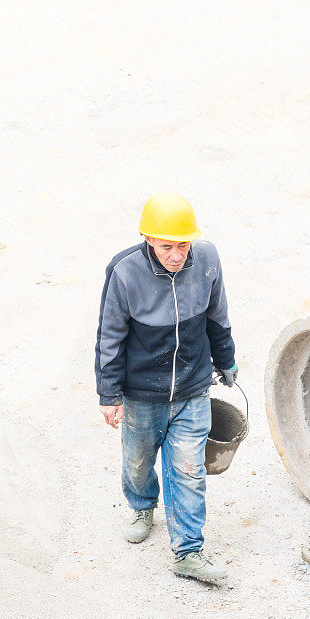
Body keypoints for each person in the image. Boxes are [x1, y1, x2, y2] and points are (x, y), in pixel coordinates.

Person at [95, 192, 238, 583]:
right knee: (138, 462)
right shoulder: (124, 273)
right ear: (148, 240)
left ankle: (188, 551)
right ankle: (143, 505)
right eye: (166, 247)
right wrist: (109, 395)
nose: (176, 254)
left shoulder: (207, 259)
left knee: (189, 470)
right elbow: (110, 337)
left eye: (182, 245)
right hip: (142, 393)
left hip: (193, 388)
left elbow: (217, 314)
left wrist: (225, 360)